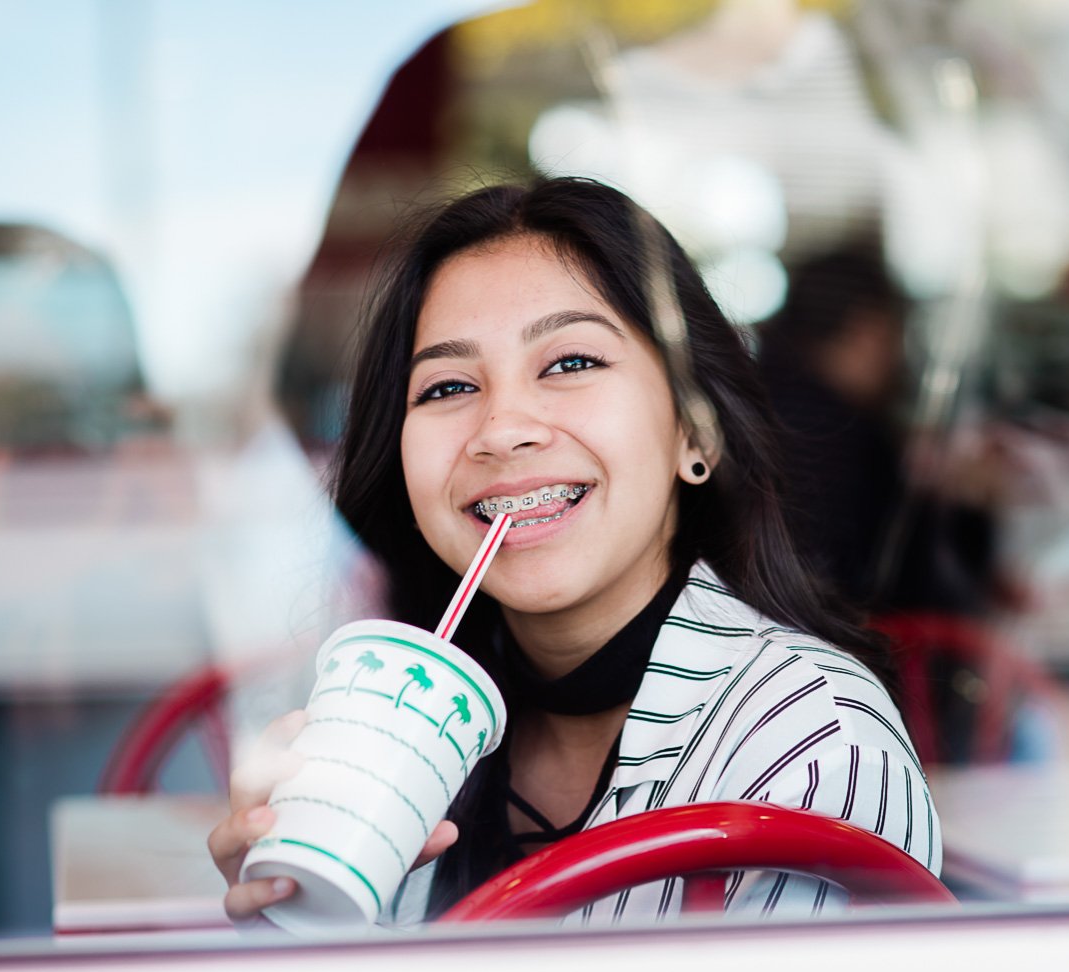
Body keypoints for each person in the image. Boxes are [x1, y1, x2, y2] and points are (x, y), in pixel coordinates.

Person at [209, 177, 936, 925]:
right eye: (449, 386)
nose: (501, 429)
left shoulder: (812, 750)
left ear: (695, 431)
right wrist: (296, 926)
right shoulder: (399, 739)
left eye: (570, 363)